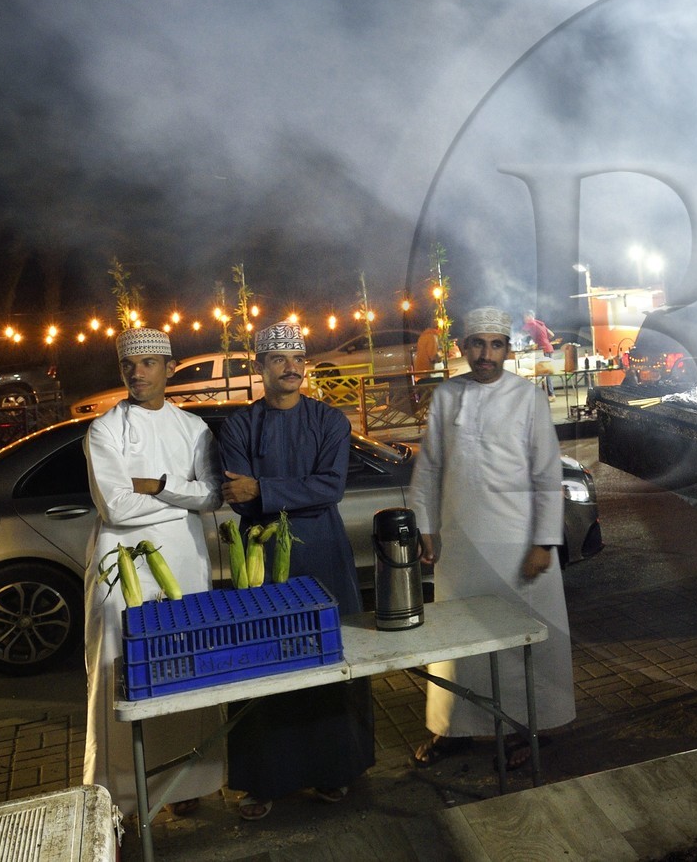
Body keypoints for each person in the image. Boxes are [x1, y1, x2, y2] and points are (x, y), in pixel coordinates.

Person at [217, 321, 374, 820]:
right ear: (260, 366)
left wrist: (264, 490)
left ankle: (334, 771)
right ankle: (263, 781)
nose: (291, 367)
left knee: (330, 660)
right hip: (263, 561)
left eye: (297, 358)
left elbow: (329, 488)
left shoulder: (330, 421)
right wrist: (277, 492)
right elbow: (234, 497)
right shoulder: (239, 426)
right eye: (278, 359)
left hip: (323, 553)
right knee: (265, 661)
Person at [409, 306, 575, 769]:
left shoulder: (528, 398)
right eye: (476, 344)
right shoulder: (446, 396)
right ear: (462, 348)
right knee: (459, 645)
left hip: (519, 546)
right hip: (459, 548)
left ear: (507, 348)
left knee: (522, 643)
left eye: (495, 344)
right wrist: (425, 526)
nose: (485, 354)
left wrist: (544, 542)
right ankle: (453, 729)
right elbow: (430, 470)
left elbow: (546, 474)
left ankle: (530, 728)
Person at [83, 327, 223, 821]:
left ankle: (190, 784)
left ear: (168, 366)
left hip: (184, 560)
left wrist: (159, 486)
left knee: (185, 663)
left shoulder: (194, 429)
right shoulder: (104, 430)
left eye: (148, 364)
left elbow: (212, 496)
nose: (137, 373)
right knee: (123, 671)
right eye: (129, 365)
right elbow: (117, 507)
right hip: (124, 566)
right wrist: (177, 497)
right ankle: (118, 795)